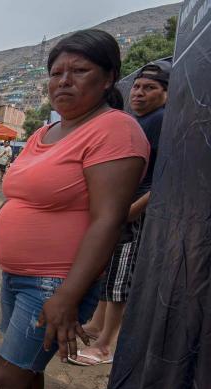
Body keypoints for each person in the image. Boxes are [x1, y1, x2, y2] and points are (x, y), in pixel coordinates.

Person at [0, 29, 149, 389]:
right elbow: (19, 195)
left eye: (79, 71)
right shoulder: (45, 133)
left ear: (108, 79)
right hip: (18, 276)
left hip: (55, 280)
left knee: (7, 377)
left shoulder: (115, 131)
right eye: (56, 72)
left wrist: (67, 295)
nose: (63, 81)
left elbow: (108, 219)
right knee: (26, 372)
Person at [72, 59, 169, 366]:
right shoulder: (139, 122)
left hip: (133, 217)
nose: (138, 93)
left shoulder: (162, 121)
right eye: (137, 87)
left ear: (167, 93)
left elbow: (165, 178)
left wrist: (130, 210)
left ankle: (104, 345)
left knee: (119, 281)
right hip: (119, 212)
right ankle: (96, 325)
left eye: (149, 88)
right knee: (109, 272)